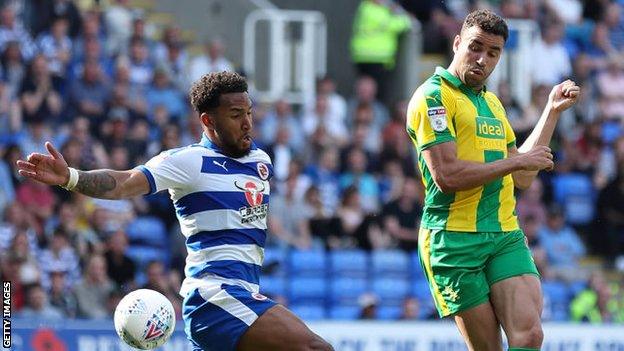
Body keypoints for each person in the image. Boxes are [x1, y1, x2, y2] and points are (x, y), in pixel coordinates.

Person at [16, 71, 333, 351]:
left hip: (242, 295)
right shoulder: (188, 162)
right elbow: (124, 182)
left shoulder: (260, 161)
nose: (248, 122)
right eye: (236, 115)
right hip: (217, 298)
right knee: (315, 347)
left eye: (249, 112)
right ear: (208, 120)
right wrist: (71, 177)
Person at [405, 9, 580, 351]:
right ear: (457, 43)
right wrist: (518, 161)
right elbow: (447, 176)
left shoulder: (494, 105)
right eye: (475, 47)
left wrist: (551, 111)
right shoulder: (434, 97)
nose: (482, 59)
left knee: (529, 337)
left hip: (503, 233)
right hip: (454, 241)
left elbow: (523, 178)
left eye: (493, 53)